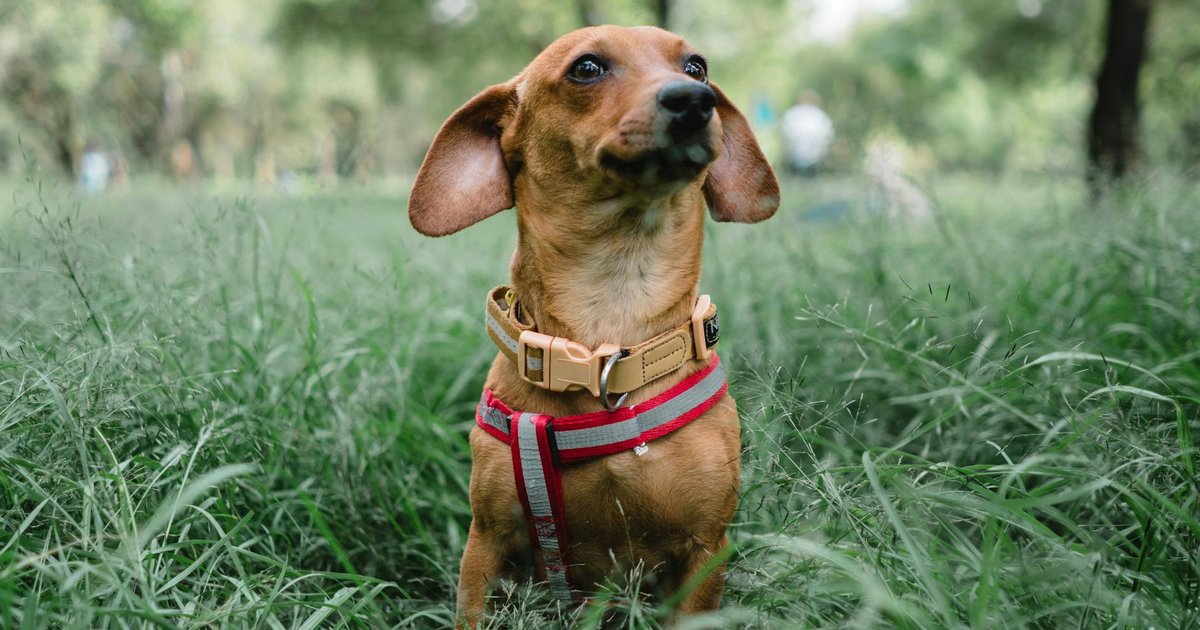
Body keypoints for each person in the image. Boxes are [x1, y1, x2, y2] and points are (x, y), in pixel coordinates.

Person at [780, 91, 834, 175]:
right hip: (813, 157)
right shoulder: (820, 115)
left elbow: (784, 132)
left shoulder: (792, 113)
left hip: (796, 156)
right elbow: (828, 134)